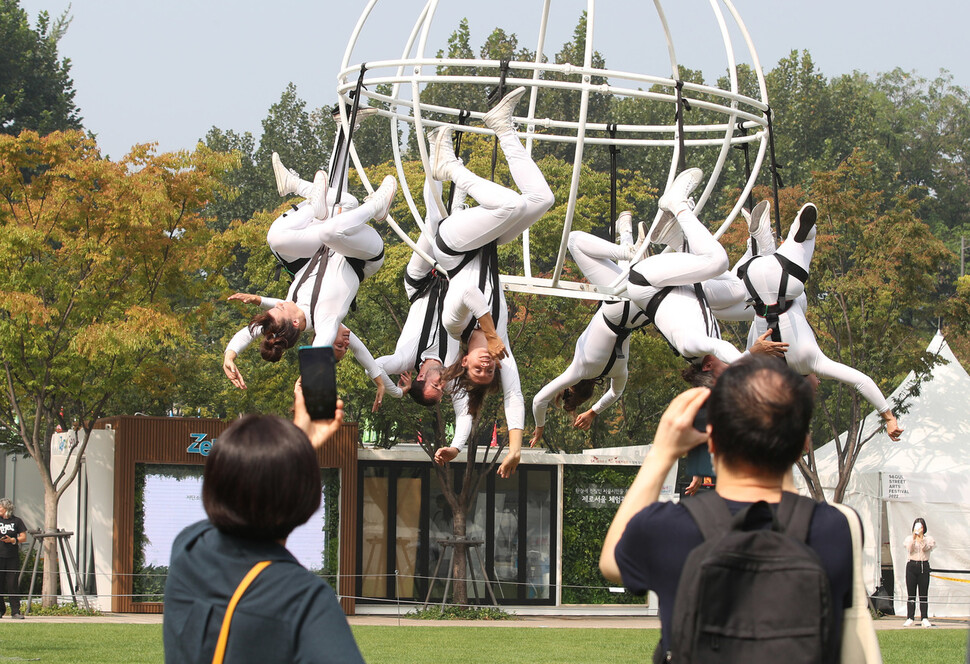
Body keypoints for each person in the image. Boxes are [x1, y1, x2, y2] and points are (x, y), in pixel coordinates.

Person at [599, 355, 853, 657]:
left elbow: (612, 563)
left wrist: (662, 453)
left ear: (712, 441)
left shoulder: (668, 529)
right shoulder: (833, 530)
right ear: (803, 445)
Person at [163, 384, 364, 663]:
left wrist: (297, 448)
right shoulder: (303, 599)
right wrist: (299, 450)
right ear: (305, 499)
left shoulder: (188, 550)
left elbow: (226, 509)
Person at [428, 86, 555, 477]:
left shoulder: (454, 326)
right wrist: (515, 450)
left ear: (464, 362)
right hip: (487, 244)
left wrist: (452, 444)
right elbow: (514, 397)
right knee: (541, 198)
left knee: (510, 204)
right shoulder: (502, 355)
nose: (485, 366)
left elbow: (468, 291)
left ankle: (447, 168)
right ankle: (502, 126)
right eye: (488, 372)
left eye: (476, 370)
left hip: (452, 247)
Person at [713, 200, 903, 440]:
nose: (819, 386)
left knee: (800, 262)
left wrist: (889, 417)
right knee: (723, 307)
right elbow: (733, 372)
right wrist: (754, 350)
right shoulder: (763, 370)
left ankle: (795, 233)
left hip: (782, 281)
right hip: (751, 282)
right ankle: (762, 240)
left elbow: (861, 381)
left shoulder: (812, 362)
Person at [222, 155, 396, 388]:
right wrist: (308, 376)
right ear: (295, 323)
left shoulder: (292, 304)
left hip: (332, 235)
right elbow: (323, 343)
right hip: (364, 252)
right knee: (331, 230)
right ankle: (377, 206)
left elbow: (252, 331)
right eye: (280, 308)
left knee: (275, 239)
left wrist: (229, 355)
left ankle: (308, 197)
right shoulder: (326, 319)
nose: (280, 303)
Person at [624, 169, 787, 376]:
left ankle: (678, 204)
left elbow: (722, 349)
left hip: (647, 283)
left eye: (726, 371)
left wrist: (751, 354)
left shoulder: (689, 347)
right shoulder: (705, 346)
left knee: (717, 261)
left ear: (708, 366)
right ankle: (675, 237)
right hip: (681, 288)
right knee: (742, 293)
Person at [530, 212, 648, 447]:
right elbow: (538, 401)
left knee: (627, 277)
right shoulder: (578, 369)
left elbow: (615, 394)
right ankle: (630, 252)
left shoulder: (617, 372)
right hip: (615, 307)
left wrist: (593, 412)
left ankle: (626, 231)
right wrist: (539, 428)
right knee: (574, 241)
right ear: (571, 388)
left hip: (641, 315)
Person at [903, 517, 936, 627]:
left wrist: (921, 538)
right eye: (917, 526)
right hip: (911, 565)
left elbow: (926, 548)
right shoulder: (909, 538)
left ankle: (924, 617)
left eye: (921, 526)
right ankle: (910, 617)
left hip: (923, 565)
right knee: (911, 593)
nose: (919, 528)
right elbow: (909, 549)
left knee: (923, 593)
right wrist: (914, 537)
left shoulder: (929, 539)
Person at [0, 498, 26, 619]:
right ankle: (1, 610)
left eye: (0, 507)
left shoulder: (17, 521)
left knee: (12, 584)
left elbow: (23, 537)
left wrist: (12, 540)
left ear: (7, 509)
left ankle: (15, 611)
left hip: (12, 557)